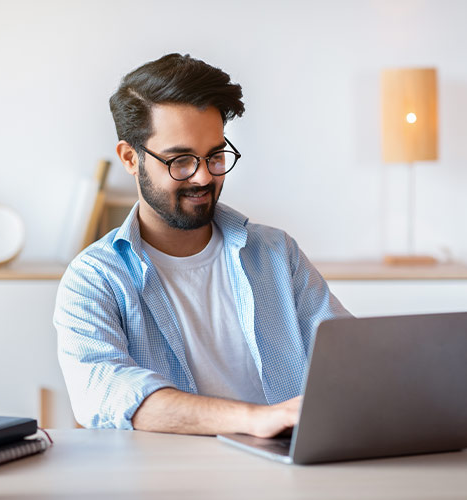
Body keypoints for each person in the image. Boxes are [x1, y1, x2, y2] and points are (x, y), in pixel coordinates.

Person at [54, 53, 349, 437]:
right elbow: (105, 393)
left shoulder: (277, 254)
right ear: (130, 158)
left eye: (214, 156)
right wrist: (254, 419)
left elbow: (348, 360)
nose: (203, 177)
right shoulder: (94, 278)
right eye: (180, 161)